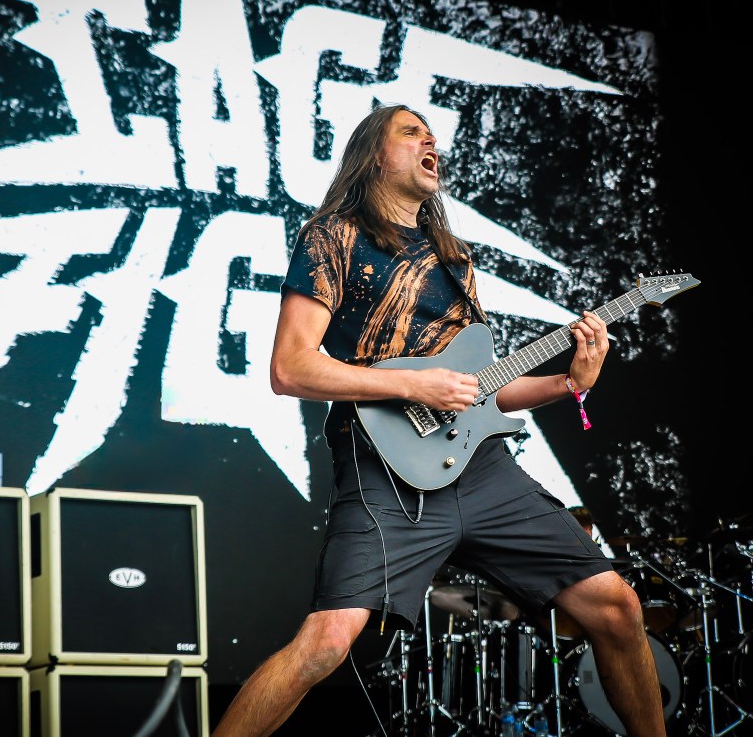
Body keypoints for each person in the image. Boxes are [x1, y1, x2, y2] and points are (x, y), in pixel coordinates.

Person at [211, 104, 666, 736]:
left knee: (617, 607)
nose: (431, 142)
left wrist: (570, 384)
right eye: (412, 132)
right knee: (325, 643)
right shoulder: (332, 237)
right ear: (374, 155)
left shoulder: (453, 258)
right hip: (385, 473)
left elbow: (479, 394)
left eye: (433, 136)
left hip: (481, 472)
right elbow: (290, 368)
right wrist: (408, 383)